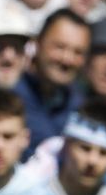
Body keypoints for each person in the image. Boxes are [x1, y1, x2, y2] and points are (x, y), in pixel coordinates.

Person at [15, 9, 91, 153]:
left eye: (78, 52)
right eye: (60, 47)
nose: (67, 59)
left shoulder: (81, 107)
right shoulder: (10, 96)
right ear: (37, 44)